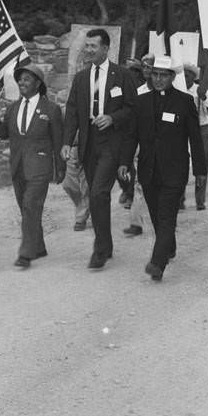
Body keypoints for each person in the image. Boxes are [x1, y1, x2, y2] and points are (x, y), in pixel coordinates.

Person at [118, 55, 207, 281]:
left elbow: (195, 139)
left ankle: (158, 263)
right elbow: (131, 136)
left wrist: (200, 171)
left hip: (175, 170)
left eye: (163, 76)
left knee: (167, 215)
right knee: (157, 215)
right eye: (155, 74)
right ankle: (169, 246)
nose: (158, 79)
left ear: (172, 77)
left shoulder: (184, 102)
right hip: (148, 169)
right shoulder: (141, 101)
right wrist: (124, 161)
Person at [61, 28, 136, 269]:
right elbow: (72, 111)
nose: (89, 50)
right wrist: (66, 142)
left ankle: (100, 250)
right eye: (87, 46)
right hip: (88, 143)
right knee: (96, 196)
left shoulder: (122, 76)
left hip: (112, 143)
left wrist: (113, 118)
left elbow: (133, 109)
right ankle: (107, 243)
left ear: (105, 48)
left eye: (93, 46)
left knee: (98, 193)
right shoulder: (82, 78)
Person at [0, 62, 65, 268]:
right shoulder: (12, 108)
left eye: (27, 79)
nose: (21, 82)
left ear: (38, 83)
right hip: (18, 165)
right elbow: (5, 133)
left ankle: (26, 253)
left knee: (31, 205)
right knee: (25, 207)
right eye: (20, 79)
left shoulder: (51, 109)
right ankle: (38, 246)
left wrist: (60, 168)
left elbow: (58, 141)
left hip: (40, 166)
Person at [123, 52, 156, 238]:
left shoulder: (168, 91)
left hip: (162, 147)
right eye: (144, 67)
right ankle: (136, 222)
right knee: (139, 184)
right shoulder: (139, 91)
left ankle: (164, 223)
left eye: (149, 66)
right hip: (143, 145)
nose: (146, 70)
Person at [182, 63, 208, 211]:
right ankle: (179, 199)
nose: (185, 78)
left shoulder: (201, 90)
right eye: (182, 75)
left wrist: (203, 98)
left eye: (187, 75)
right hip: (183, 129)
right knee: (180, 163)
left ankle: (200, 200)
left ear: (193, 77)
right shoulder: (178, 89)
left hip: (201, 128)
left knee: (201, 163)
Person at [62, 136, 90, 231]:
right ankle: (85, 206)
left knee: (86, 185)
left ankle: (81, 218)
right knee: (67, 184)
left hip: (87, 147)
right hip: (69, 148)